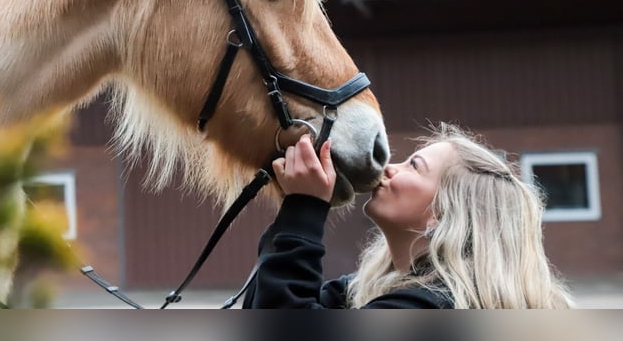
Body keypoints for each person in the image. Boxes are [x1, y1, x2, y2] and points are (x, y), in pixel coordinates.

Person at [242, 122, 574, 309]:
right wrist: (294, 210)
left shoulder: (429, 307)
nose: (388, 168)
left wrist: (304, 208)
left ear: (443, 215)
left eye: (413, 165)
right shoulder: (370, 290)